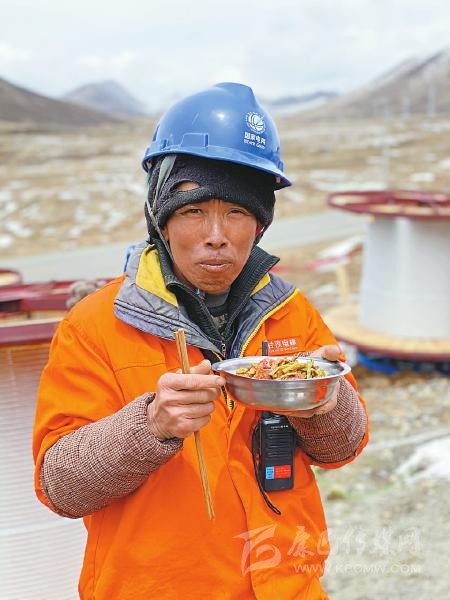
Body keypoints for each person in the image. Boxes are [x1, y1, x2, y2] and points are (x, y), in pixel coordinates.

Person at [33, 82, 368, 600]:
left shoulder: (289, 311)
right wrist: (151, 426)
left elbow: (342, 446)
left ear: (260, 225)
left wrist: (326, 402)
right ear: (161, 219)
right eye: (193, 211)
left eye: (237, 212)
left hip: (287, 586)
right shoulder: (95, 324)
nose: (217, 234)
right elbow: (60, 486)